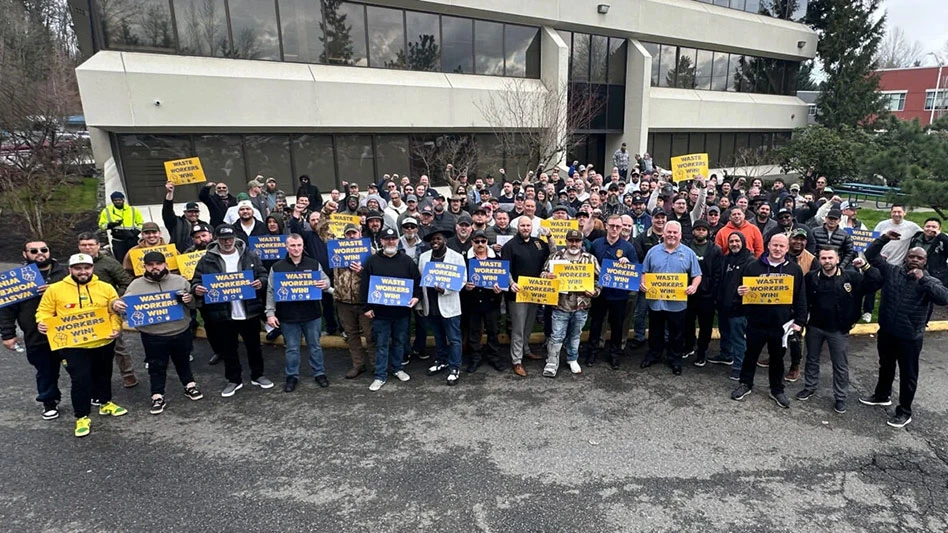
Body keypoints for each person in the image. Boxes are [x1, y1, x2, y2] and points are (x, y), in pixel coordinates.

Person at [859, 232, 948, 428]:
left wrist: (922, 279)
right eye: (912, 257)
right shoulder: (892, 271)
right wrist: (883, 239)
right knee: (886, 365)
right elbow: (871, 256)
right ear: (906, 258)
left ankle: (904, 411)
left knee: (908, 374)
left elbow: (943, 298)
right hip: (888, 331)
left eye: (919, 258)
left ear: (925, 262)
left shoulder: (930, 280)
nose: (915, 260)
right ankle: (882, 395)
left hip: (910, 336)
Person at [35, 253, 126, 437]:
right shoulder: (56, 289)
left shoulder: (106, 287)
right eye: (78, 268)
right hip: (73, 345)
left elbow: (113, 312)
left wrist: (116, 328)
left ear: (92, 268)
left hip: (103, 341)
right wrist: (42, 322)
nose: (83, 271)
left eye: (86, 268)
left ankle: (105, 402)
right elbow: (44, 311)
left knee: (104, 374)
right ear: (70, 270)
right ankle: (82, 416)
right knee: (80, 380)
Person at [191, 224, 272, 397]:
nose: (227, 242)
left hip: (248, 310)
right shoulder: (207, 260)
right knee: (229, 349)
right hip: (223, 313)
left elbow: (263, 275)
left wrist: (261, 283)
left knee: (254, 347)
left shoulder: (250, 255)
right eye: (222, 239)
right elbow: (195, 281)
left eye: (229, 238)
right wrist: (197, 288)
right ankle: (234, 380)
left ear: (235, 238)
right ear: (216, 240)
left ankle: (258, 375)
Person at [795, 248, 879, 414]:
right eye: (823, 258)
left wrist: (866, 267)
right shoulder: (812, 277)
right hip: (815, 327)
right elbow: (802, 300)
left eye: (830, 258)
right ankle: (810, 387)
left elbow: (876, 282)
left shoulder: (851, 277)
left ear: (838, 259)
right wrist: (801, 320)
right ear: (819, 260)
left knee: (840, 364)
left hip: (838, 330)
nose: (827, 261)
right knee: (811, 359)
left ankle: (840, 396)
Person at [117, 252, 203, 414]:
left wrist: (189, 299)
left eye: (158, 264)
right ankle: (157, 395)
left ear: (165, 265)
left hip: (180, 330)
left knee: (183, 361)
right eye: (150, 264)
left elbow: (193, 306)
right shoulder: (136, 285)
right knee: (156, 366)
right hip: (153, 335)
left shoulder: (180, 281)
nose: (155, 267)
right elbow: (126, 307)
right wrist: (119, 306)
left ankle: (189, 385)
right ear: (145, 267)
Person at [730, 235, 807, 408]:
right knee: (750, 354)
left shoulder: (794, 270)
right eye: (775, 245)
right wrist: (740, 292)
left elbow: (801, 298)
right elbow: (740, 293)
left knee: (777, 358)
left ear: (787, 249)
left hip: (781, 324)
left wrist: (799, 322)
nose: (778, 249)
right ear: (768, 246)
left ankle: (777, 389)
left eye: (781, 246)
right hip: (756, 321)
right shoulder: (753, 266)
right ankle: (745, 383)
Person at [0, 241, 67, 420]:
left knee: (78, 368)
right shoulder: (16, 278)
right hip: (36, 334)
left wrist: (55, 289)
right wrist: (8, 335)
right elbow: (6, 309)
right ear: (25, 254)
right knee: (45, 371)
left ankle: (87, 396)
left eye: (44, 250)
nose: (40, 253)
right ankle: (49, 402)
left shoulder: (66, 272)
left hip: (68, 331)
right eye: (34, 251)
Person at [265, 234, 331, 393]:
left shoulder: (314, 264)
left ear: (303, 246)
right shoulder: (277, 267)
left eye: (299, 245)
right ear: (286, 247)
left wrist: (325, 284)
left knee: (315, 346)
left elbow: (326, 281)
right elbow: (271, 291)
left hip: (312, 314)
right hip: (288, 316)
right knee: (292, 348)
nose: (296, 248)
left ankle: (319, 373)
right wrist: (270, 313)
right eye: (293, 245)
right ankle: (292, 376)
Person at [361, 227, 421, 391]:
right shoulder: (372, 261)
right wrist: (366, 307)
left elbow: (417, 282)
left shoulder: (406, 261)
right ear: (381, 241)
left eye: (393, 239)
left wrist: (416, 297)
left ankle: (397, 369)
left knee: (400, 342)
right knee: (381, 344)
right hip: (380, 312)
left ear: (397, 240)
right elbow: (365, 285)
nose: (390, 242)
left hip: (401, 312)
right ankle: (380, 376)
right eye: (387, 239)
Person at [640, 221, 703, 375]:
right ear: (664, 233)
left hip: (677, 303)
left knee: (677, 333)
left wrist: (694, 286)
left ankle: (675, 359)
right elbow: (644, 272)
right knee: (655, 331)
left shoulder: (688, 253)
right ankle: (654, 354)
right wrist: (642, 284)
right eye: (669, 232)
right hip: (656, 302)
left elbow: (697, 275)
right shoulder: (653, 252)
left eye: (675, 233)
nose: (672, 235)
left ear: (680, 235)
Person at [78, 233, 139, 388]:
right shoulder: (74, 265)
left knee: (117, 344)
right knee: (87, 347)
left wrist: (116, 300)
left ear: (98, 245)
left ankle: (128, 374)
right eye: (84, 245)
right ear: (79, 247)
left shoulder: (109, 263)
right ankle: (93, 377)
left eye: (91, 244)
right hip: (83, 313)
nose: (87, 248)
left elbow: (126, 282)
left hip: (108, 311)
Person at [542, 229, 600, 377]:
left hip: (581, 305)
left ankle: (572, 358)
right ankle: (552, 362)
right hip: (560, 305)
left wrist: (595, 291)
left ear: (582, 242)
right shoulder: (556, 257)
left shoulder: (590, 259)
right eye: (571, 241)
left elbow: (600, 280)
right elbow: (542, 274)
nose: (574, 244)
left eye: (577, 241)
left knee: (575, 335)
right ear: (566, 241)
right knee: (556, 336)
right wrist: (547, 276)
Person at [503, 216, 554, 376]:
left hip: (535, 292)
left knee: (529, 325)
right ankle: (517, 361)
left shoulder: (538, 243)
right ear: (518, 227)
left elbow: (554, 254)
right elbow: (505, 269)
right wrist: (511, 283)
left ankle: (525, 349)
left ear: (532, 227)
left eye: (528, 225)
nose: (525, 228)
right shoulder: (509, 246)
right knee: (518, 328)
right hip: (518, 293)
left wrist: (550, 236)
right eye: (522, 225)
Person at [586, 214, 639, 368]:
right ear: (606, 226)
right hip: (600, 293)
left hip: (618, 294)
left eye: (618, 226)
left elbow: (636, 269)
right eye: (612, 226)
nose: (615, 229)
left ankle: (615, 355)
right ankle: (592, 352)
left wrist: (628, 263)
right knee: (596, 323)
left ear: (622, 228)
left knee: (617, 325)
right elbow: (589, 265)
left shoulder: (628, 247)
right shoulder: (596, 244)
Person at [419, 227, 466, 385]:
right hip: (431, 304)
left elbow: (463, 280)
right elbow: (421, 281)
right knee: (438, 337)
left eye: (438, 238)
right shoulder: (424, 257)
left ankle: (455, 367)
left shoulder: (456, 257)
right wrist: (420, 304)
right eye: (432, 239)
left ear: (445, 240)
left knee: (454, 339)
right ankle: (441, 361)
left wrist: (445, 290)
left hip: (449, 304)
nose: (435, 242)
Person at [708, 232, 753, 380]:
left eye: (737, 241)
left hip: (739, 308)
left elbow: (753, 287)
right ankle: (725, 355)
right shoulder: (725, 259)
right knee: (725, 333)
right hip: (723, 305)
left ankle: (739, 367)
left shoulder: (750, 261)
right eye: (731, 241)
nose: (734, 244)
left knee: (738, 339)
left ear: (743, 242)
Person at [462, 230, 505, 372]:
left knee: (493, 331)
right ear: (472, 242)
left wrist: (500, 289)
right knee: (474, 332)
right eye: (477, 241)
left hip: (491, 302)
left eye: (483, 241)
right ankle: (475, 358)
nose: (480, 244)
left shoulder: (497, 260)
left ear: (487, 242)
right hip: (473, 303)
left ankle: (494, 358)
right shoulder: (466, 261)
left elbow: (502, 281)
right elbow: (460, 281)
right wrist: (465, 287)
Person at [684, 219, 722, 367]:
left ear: (708, 232)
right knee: (688, 322)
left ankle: (702, 352)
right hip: (688, 291)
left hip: (707, 294)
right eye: (697, 229)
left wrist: (713, 292)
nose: (700, 232)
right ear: (693, 231)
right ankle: (688, 346)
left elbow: (718, 273)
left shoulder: (715, 249)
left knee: (705, 325)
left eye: (703, 229)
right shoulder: (686, 247)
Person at [98, 190, 144, 262]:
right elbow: (101, 225)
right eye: (115, 200)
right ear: (112, 201)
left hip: (132, 239)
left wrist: (136, 231)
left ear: (123, 200)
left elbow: (141, 223)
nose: (118, 202)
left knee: (136, 260)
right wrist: (111, 225)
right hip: (118, 240)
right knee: (121, 260)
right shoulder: (107, 211)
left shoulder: (132, 210)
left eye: (119, 200)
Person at [163, 181, 206, 254]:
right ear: (184, 212)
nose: (193, 214)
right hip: (180, 258)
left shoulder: (205, 225)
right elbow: (167, 211)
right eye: (190, 212)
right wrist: (170, 193)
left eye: (196, 212)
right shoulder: (176, 223)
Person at [909, 218, 948, 284]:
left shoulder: (942, 240)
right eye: (928, 226)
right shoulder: (916, 238)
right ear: (923, 227)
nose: (930, 229)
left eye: (934, 227)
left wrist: (941, 236)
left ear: (939, 229)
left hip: (935, 277)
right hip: (915, 275)